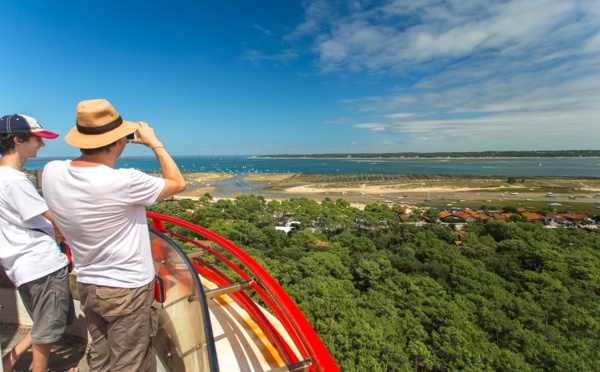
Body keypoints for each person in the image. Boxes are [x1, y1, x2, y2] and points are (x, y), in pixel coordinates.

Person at [42, 99, 186, 371]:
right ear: (120, 141)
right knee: (130, 364)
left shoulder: (51, 171)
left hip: (88, 283)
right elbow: (178, 183)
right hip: (126, 289)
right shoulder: (124, 181)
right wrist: (155, 143)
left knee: (101, 355)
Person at [0, 114, 74, 372]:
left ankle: (8, 362)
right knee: (47, 330)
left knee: (47, 322)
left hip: (19, 265)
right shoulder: (15, 181)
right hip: (41, 264)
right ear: (18, 140)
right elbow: (53, 217)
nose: (41, 145)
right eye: (37, 139)